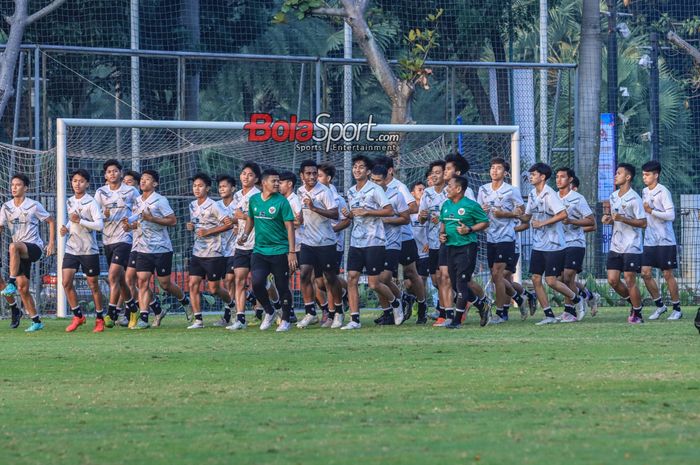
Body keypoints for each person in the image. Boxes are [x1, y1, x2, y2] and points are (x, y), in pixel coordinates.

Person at [519, 163, 584, 325]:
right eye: (530, 174)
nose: (531, 176)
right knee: (535, 279)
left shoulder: (550, 194)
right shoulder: (533, 194)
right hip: (538, 245)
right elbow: (527, 217)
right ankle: (548, 314)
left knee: (551, 281)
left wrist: (543, 223)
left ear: (542, 177)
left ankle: (577, 299)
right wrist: (518, 215)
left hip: (554, 245)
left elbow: (562, 214)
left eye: (534, 174)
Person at [125, 169, 191, 329]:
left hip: (161, 248)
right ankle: (144, 317)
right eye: (142, 179)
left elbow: (173, 221)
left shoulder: (160, 200)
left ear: (155, 183)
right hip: (143, 248)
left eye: (147, 179)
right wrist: (129, 226)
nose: (143, 182)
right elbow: (139, 222)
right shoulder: (137, 201)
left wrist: (152, 218)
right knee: (142, 281)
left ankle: (184, 300)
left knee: (165, 284)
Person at [238, 169, 297, 332]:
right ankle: (269, 311)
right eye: (274, 181)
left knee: (282, 286)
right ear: (264, 183)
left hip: (279, 250)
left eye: (279, 181)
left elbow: (290, 227)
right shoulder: (254, 200)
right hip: (259, 251)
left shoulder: (282, 202)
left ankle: (285, 319)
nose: (277, 184)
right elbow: (250, 219)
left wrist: (291, 252)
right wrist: (245, 235)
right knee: (256, 283)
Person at [342, 155, 397, 330]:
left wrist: (368, 212)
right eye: (355, 167)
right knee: (352, 279)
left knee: (374, 283)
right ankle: (355, 319)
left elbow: (389, 211)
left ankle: (396, 303)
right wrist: (349, 214)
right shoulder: (350, 191)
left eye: (361, 167)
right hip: (356, 241)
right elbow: (355, 214)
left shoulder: (375, 189)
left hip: (375, 240)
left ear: (367, 171)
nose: (357, 170)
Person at [0, 174, 56, 332]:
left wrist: (51, 243)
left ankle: (10, 283)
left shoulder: (33, 205)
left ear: (26, 188)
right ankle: (36, 321)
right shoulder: (6, 207)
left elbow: (51, 220)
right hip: (18, 254)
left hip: (34, 248)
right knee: (23, 288)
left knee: (13, 246)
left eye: (18, 185)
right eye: (12, 185)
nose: (14, 187)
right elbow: (1, 227)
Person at [373, 156, 426, 323]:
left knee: (411, 273)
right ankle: (391, 309)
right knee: (382, 278)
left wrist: (391, 214)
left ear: (389, 171)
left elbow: (413, 207)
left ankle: (422, 307)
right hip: (381, 238)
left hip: (403, 236)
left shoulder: (399, 187)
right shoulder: (372, 188)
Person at [477, 157, 525, 324]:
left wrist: (505, 214)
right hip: (490, 237)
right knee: (495, 275)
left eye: (498, 168)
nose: (494, 170)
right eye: (492, 167)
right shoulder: (483, 189)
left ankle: (501, 313)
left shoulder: (511, 190)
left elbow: (521, 212)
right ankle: (519, 298)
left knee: (499, 275)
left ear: (505, 173)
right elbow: (478, 213)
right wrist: (481, 211)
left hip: (507, 237)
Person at [295, 160, 342, 329]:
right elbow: (303, 212)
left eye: (315, 173)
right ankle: (310, 312)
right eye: (308, 173)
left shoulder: (325, 191)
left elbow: (335, 214)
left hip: (326, 242)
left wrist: (314, 208)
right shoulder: (300, 191)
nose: (312, 176)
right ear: (302, 175)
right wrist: (299, 219)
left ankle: (338, 312)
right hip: (307, 241)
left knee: (330, 278)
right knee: (305, 274)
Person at [94, 159, 140, 328]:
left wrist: (132, 223)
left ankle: (111, 312)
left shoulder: (131, 191)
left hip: (124, 239)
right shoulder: (100, 192)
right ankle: (133, 307)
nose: (112, 174)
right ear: (105, 175)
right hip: (107, 239)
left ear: (120, 172)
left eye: (115, 171)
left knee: (113, 274)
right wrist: (102, 215)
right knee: (120, 279)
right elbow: (95, 214)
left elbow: (140, 210)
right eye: (109, 172)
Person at [439, 176, 490, 329]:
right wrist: (441, 235)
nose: (446, 188)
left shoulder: (471, 205)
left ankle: (456, 320)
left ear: (458, 189)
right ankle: (482, 306)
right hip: (450, 247)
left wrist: (469, 229)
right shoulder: (446, 205)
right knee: (455, 285)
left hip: (467, 247)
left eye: (449, 185)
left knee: (461, 282)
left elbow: (485, 222)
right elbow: (444, 224)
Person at [185, 173, 234, 329]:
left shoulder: (214, 205)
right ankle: (198, 320)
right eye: (194, 186)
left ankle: (232, 305)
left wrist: (208, 232)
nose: (196, 189)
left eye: (200, 186)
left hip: (213, 252)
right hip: (197, 252)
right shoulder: (192, 205)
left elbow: (228, 224)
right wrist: (191, 227)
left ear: (207, 188)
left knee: (214, 288)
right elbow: (196, 224)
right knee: (193, 284)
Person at [61, 169, 105, 333]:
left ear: (87, 184)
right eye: (74, 181)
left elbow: (99, 225)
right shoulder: (70, 200)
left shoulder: (91, 202)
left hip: (88, 250)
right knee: (66, 282)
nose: (77, 184)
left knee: (93, 284)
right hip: (71, 248)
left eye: (80, 181)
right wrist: (65, 227)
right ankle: (78, 316)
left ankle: (99, 318)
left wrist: (81, 220)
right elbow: (70, 220)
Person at [602, 163, 646, 324]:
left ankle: (638, 314)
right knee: (612, 280)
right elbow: (614, 219)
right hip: (616, 245)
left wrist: (623, 219)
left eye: (619, 173)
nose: (615, 175)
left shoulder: (635, 198)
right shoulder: (613, 196)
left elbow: (643, 223)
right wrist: (608, 220)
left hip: (631, 245)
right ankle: (635, 305)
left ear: (628, 177)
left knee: (629, 279)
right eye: (616, 173)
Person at [640, 161, 683, 321]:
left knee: (667, 274)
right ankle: (660, 306)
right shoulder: (644, 191)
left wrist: (651, 211)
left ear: (656, 175)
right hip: (650, 240)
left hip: (665, 240)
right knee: (645, 273)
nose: (644, 177)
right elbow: (645, 215)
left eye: (648, 174)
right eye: (643, 174)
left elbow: (671, 216)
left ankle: (677, 309)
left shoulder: (663, 191)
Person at [371, 164, 409, 326]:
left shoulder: (396, 195)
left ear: (386, 179)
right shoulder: (369, 195)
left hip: (392, 243)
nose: (375, 183)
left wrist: (388, 220)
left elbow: (405, 218)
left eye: (378, 181)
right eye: (372, 180)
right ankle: (389, 312)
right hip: (373, 243)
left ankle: (398, 301)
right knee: (377, 282)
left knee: (383, 278)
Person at [555, 167, 596, 321]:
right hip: (557, 244)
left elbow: (591, 222)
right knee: (558, 280)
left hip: (575, 243)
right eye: (557, 177)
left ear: (570, 179)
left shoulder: (578, 198)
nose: (559, 180)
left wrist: (572, 221)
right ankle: (587, 295)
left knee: (567, 277)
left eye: (563, 177)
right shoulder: (552, 197)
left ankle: (570, 311)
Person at [317, 163, 350, 328]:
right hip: (315, 243)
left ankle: (332, 314)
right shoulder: (311, 196)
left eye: (319, 175)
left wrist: (333, 229)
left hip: (333, 244)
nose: (315, 178)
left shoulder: (338, 199)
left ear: (328, 178)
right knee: (319, 282)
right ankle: (346, 291)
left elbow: (346, 220)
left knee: (328, 279)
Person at [231, 163, 262, 327]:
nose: (245, 177)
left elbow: (259, 218)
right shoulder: (237, 195)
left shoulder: (259, 196)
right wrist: (235, 222)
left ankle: (276, 308)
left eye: (250, 175)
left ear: (256, 179)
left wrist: (241, 216)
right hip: (241, 245)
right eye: (243, 173)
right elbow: (237, 217)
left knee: (260, 282)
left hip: (257, 244)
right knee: (239, 280)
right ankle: (240, 318)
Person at [418, 161, 448, 322]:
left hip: (447, 240)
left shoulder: (450, 192)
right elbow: (421, 219)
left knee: (443, 277)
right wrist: (423, 216)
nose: (434, 175)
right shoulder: (427, 193)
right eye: (432, 173)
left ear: (445, 174)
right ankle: (445, 306)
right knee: (436, 280)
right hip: (432, 242)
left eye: (438, 172)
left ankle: (444, 313)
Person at [212, 174, 239, 328]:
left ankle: (229, 316)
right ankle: (248, 299)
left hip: (236, 248)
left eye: (225, 186)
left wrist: (237, 226)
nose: (222, 189)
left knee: (230, 280)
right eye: (220, 186)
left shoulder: (238, 204)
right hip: (219, 249)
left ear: (233, 188)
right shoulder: (215, 205)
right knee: (222, 284)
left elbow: (246, 219)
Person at [409, 180, 430, 324]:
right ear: (412, 194)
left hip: (424, 251)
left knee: (422, 281)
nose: (422, 192)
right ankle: (414, 300)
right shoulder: (408, 212)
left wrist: (429, 241)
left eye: (424, 189)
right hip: (411, 251)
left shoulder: (427, 211)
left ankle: (422, 307)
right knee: (409, 284)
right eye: (419, 190)